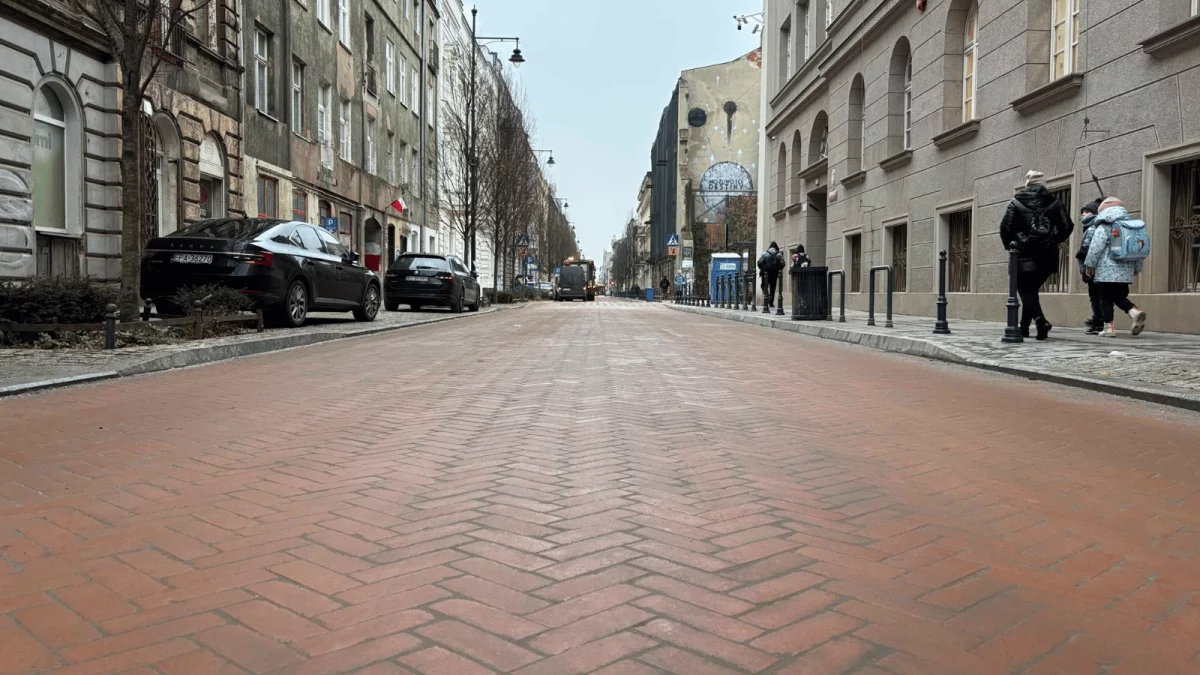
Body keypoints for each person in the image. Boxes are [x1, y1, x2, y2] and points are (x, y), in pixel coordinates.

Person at [1000, 170, 1074, 340]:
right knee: (1031, 290)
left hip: (1023, 254)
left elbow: (1005, 228)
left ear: (1027, 184)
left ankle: (1041, 321)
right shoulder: (1055, 203)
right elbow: (1067, 226)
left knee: (1025, 289)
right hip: (1047, 255)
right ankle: (1024, 327)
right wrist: (1053, 240)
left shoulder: (1015, 202)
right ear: (1043, 184)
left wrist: (1012, 246)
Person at [1084, 197, 1148, 337]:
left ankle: (1109, 328)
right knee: (1119, 296)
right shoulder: (1132, 225)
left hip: (1106, 270)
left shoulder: (1104, 226)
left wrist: (1089, 265)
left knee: (1105, 298)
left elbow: (1095, 247)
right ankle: (1133, 311)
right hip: (1126, 270)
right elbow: (1138, 249)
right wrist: (1137, 268)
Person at [1075, 200, 1103, 334]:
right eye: (1082, 212)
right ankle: (1098, 320)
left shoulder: (1092, 228)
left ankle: (1098, 322)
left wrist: (1079, 255)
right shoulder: (1092, 226)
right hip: (1096, 267)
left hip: (1093, 268)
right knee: (1098, 296)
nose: (1083, 215)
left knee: (1095, 296)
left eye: (1087, 212)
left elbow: (1087, 248)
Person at [757, 242, 785, 308]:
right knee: (773, 287)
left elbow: (759, 262)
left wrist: (762, 268)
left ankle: (767, 298)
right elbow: (783, 264)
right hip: (774, 273)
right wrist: (778, 269)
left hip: (765, 273)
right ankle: (771, 303)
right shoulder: (778, 254)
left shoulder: (765, 253)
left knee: (764, 286)